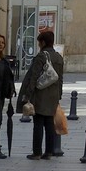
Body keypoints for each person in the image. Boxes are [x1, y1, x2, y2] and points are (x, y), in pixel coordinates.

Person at [17, 29, 65, 160]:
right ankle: (49, 151)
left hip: (40, 94)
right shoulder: (59, 57)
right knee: (49, 124)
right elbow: (60, 78)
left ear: (42, 42)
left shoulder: (41, 57)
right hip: (53, 95)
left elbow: (34, 77)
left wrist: (27, 94)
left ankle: (37, 152)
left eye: (39, 42)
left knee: (38, 123)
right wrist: (58, 95)